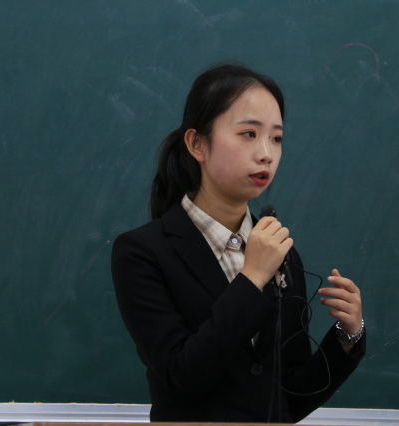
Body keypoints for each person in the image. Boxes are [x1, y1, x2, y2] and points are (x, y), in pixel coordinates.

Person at [111, 63, 365, 423]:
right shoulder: (142, 252)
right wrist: (252, 278)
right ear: (197, 144)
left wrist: (347, 336)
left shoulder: (281, 252)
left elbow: (289, 398)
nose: (266, 154)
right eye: (249, 133)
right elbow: (182, 376)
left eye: (276, 138)